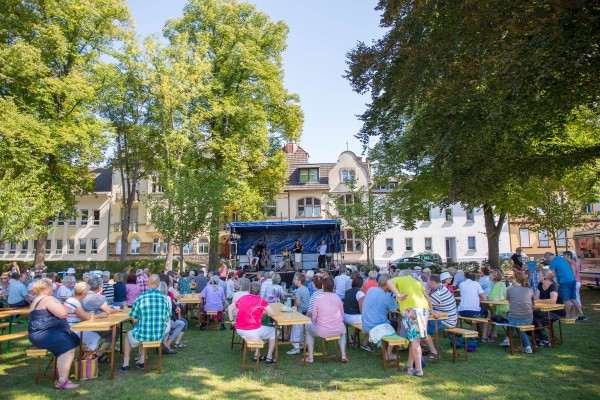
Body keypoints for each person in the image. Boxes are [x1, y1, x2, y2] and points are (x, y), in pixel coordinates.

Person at [28, 278, 80, 389]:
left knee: (74, 339)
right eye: (51, 287)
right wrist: (61, 305)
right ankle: (62, 382)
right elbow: (62, 313)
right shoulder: (48, 299)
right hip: (44, 334)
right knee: (67, 346)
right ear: (44, 290)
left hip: (38, 334)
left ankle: (61, 368)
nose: (53, 289)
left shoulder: (36, 300)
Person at [119, 275, 171, 372]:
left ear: (147, 284)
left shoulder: (140, 298)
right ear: (158, 284)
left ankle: (125, 364)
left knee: (129, 335)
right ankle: (142, 361)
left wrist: (141, 318)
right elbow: (167, 319)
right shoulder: (164, 299)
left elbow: (134, 319)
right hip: (158, 334)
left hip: (144, 333)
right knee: (144, 331)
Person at [387, 272, 431, 377]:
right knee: (415, 339)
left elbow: (389, 281)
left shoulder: (400, 279)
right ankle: (409, 365)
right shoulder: (417, 282)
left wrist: (398, 295)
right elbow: (428, 298)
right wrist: (432, 310)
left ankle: (419, 369)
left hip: (411, 311)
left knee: (415, 341)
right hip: (424, 310)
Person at [302, 277, 348, 364]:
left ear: (323, 286)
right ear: (333, 287)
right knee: (342, 332)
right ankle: (343, 355)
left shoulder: (318, 298)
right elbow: (342, 314)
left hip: (323, 330)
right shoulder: (337, 297)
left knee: (308, 330)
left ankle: (310, 357)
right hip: (338, 329)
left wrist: (318, 322)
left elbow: (314, 317)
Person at [228, 282, 277, 364]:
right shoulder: (261, 300)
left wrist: (232, 321)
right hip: (252, 330)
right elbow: (271, 313)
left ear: (249, 290)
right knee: (274, 332)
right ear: (260, 291)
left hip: (239, 329)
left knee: (262, 332)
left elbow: (230, 308)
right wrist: (263, 312)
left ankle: (257, 355)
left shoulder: (243, 298)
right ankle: (269, 357)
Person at [361, 274, 400, 360]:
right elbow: (399, 309)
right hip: (376, 326)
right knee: (396, 324)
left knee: (387, 321)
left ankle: (381, 347)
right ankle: (389, 353)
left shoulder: (371, 290)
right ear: (387, 284)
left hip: (365, 323)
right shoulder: (387, 297)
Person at [81, 276, 118, 363]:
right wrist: (117, 310)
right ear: (99, 287)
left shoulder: (82, 296)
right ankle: (99, 353)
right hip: (96, 326)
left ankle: (96, 352)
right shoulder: (98, 297)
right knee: (115, 331)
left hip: (82, 326)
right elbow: (108, 310)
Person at [63, 282, 101, 358]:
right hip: (72, 330)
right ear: (83, 293)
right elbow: (85, 317)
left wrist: (88, 315)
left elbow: (83, 314)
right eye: (87, 292)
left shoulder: (70, 300)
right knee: (96, 337)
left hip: (69, 329)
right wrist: (100, 315)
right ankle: (86, 358)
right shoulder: (75, 302)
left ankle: (86, 354)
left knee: (93, 335)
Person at [424, 274, 458, 359]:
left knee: (421, 329)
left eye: (428, 283)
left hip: (447, 321)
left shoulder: (436, 295)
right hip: (451, 318)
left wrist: (426, 295)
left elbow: (424, 307)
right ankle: (425, 347)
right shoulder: (443, 289)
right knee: (422, 325)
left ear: (433, 283)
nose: (427, 285)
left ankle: (434, 352)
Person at [545, 252, 585, 320]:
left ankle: (567, 315)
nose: (548, 261)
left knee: (566, 299)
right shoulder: (562, 259)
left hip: (564, 281)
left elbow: (552, 274)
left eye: (547, 260)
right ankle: (582, 314)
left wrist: (552, 281)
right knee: (573, 298)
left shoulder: (553, 262)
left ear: (549, 257)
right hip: (573, 279)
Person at [501, 272, 535, 353]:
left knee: (514, 322)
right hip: (528, 317)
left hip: (515, 317)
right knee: (515, 322)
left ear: (515, 279)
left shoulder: (510, 289)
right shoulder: (529, 290)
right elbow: (534, 302)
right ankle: (507, 340)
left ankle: (527, 345)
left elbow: (509, 300)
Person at [533, 269, 566, 347]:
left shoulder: (553, 286)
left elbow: (553, 300)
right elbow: (536, 298)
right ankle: (538, 338)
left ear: (545, 277)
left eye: (540, 275)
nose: (538, 276)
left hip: (556, 312)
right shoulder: (540, 284)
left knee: (538, 320)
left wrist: (539, 300)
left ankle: (544, 340)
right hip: (544, 310)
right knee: (528, 317)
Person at [457, 271, 491, 341]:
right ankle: (484, 336)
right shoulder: (476, 284)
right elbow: (484, 298)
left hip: (461, 311)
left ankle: (474, 334)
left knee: (475, 314)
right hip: (472, 312)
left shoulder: (461, 284)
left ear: (465, 277)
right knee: (488, 312)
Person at [343, 275, 372, 352]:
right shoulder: (360, 293)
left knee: (363, 321)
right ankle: (365, 343)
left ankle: (353, 337)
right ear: (361, 284)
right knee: (372, 322)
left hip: (345, 316)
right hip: (354, 317)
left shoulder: (348, 291)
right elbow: (362, 310)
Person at [287, 273, 311, 355]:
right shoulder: (306, 289)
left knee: (296, 329)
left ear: (299, 281)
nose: (294, 280)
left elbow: (298, 303)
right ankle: (302, 344)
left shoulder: (298, 290)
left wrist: (293, 307)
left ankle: (296, 347)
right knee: (302, 330)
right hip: (306, 312)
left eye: (295, 279)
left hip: (300, 312)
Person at [488, 269, 509, 340]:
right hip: (505, 308)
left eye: (491, 275)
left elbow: (491, 298)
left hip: (501, 310)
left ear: (495, 276)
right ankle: (493, 334)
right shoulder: (502, 284)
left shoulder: (497, 285)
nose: (489, 276)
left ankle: (491, 334)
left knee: (488, 313)